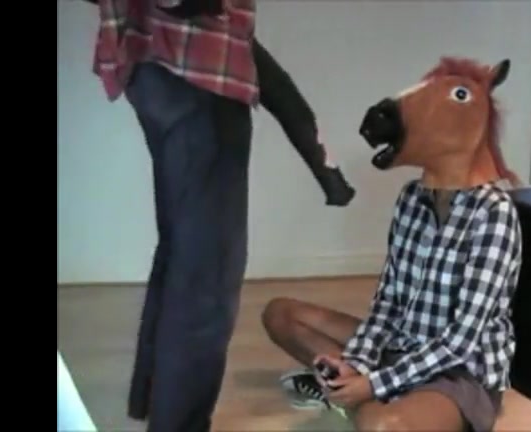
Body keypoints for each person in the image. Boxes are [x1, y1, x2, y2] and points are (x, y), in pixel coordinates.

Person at [85, 1, 353, 431]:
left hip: (156, 66)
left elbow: (252, 55)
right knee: (206, 279)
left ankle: (158, 405)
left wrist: (325, 168)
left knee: (183, 259)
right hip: (198, 75)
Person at [262, 57, 522, 432]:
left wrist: (372, 384)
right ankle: (354, 392)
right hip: (400, 346)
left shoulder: (494, 213)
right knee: (280, 314)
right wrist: (357, 361)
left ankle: (360, 400)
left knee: (382, 426)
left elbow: (463, 339)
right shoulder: (412, 198)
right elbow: (387, 301)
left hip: (459, 372)